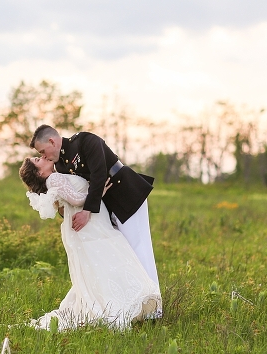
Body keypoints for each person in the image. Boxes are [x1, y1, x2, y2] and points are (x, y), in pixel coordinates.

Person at [19, 156, 161, 330]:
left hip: (91, 226)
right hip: (91, 228)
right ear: (39, 172)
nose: (42, 157)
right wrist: (98, 192)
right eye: (37, 159)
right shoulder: (54, 178)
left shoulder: (57, 176)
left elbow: (68, 206)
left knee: (102, 268)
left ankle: (121, 307)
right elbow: (77, 200)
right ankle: (122, 309)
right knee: (113, 263)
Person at [30, 124, 161, 292]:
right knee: (124, 253)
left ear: (51, 141)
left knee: (138, 248)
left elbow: (99, 173)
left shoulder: (84, 141)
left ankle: (154, 305)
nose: (43, 156)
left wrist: (87, 211)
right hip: (104, 208)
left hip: (126, 193)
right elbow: (74, 194)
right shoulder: (61, 166)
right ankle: (136, 300)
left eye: (42, 151)